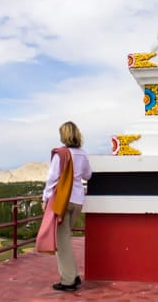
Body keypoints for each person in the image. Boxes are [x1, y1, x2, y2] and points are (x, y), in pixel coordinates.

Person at [41, 121, 92, 292]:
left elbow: (52, 178)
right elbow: (88, 175)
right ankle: (74, 275)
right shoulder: (83, 154)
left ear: (63, 135)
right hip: (77, 200)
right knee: (65, 240)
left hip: (62, 201)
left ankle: (68, 281)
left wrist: (45, 198)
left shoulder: (60, 154)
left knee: (62, 243)